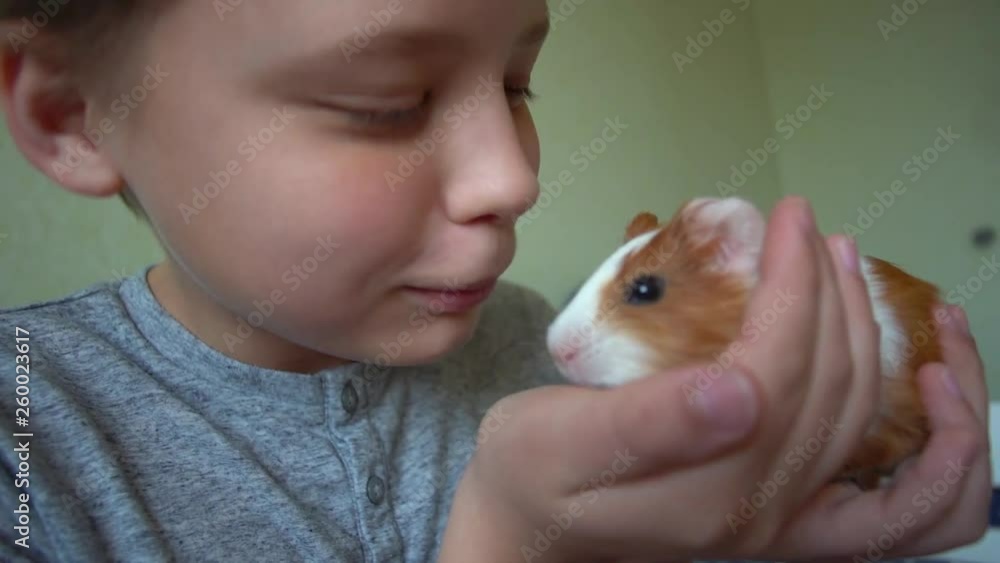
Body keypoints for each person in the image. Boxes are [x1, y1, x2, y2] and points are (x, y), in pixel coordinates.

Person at [0, 1, 990, 562]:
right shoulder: (29, 431)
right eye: (385, 101)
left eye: (518, 85)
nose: (517, 176)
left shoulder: (527, 340)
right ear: (75, 117)